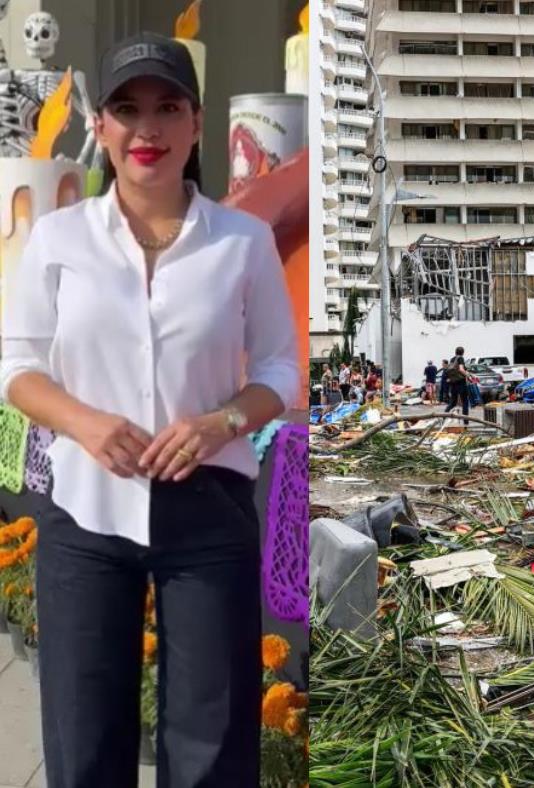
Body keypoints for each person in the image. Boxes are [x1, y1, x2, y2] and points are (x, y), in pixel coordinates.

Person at [0, 33, 299, 787]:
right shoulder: (60, 240)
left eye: (168, 108)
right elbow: (16, 366)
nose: (148, 130)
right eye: (127, 110)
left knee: (212, 738)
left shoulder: (243, 240)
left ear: (198, 123)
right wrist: (87, 424)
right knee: (84, 735)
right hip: (84, 512)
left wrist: (218, 423)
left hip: (209, 509)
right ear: (100, 127)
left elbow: (277, 370)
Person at [444, 346, 470, 422]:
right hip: (461, 383)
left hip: (453, 383)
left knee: (453, 403)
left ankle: (444, 416)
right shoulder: (460, 358)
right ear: (463, 352)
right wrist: (467, 375)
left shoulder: (452, 359)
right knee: (465, 402)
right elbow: (461, 369)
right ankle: (466, 423)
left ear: (455, 352)